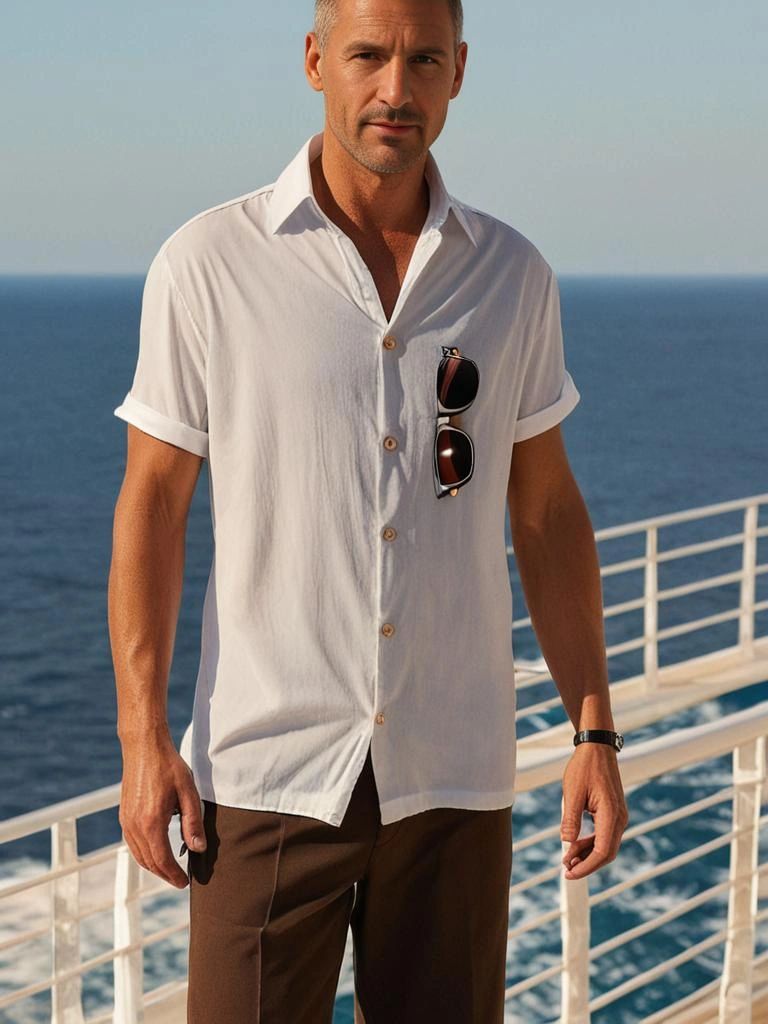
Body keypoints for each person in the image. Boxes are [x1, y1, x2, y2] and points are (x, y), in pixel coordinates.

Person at [108, 0, 629, 1020]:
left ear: (459, 71)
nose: (396, 88)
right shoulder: (209, 263)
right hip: (265, 776)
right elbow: (153, 505)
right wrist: (142, 739)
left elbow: (547, 512)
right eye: (368, 55)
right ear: (315, 61)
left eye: (424, 59)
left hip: (452, 774)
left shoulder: (513, 275)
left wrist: (594, 731)